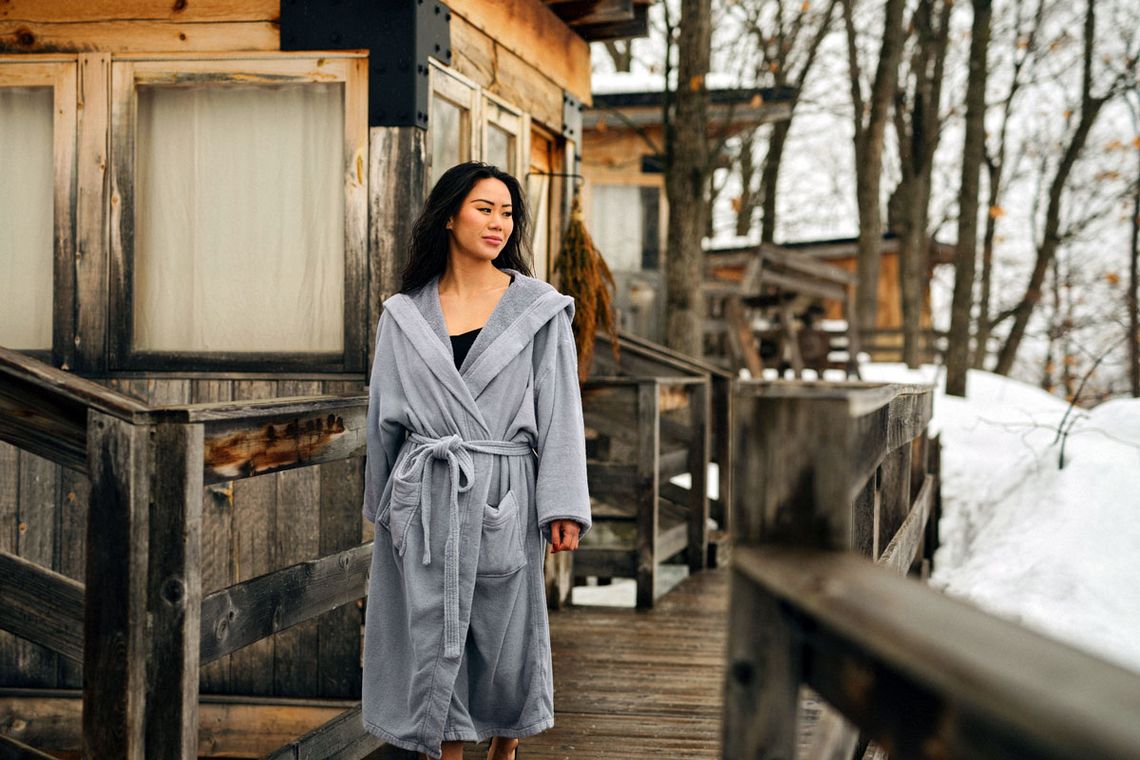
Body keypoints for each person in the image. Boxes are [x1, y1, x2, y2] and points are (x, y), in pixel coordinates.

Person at [360, 161, 592, 760]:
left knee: (503, 628)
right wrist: (384, 509)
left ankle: (505, 744)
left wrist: (563, 505)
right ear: (448, 217)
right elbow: (383, 416)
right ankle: (447, 748)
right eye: (484, 209)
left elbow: (561, 410)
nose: (498, 224)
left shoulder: (537, 309)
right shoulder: (405, 315)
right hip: (426, 492)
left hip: (501, 486)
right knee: (433, 630)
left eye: (507, 213)